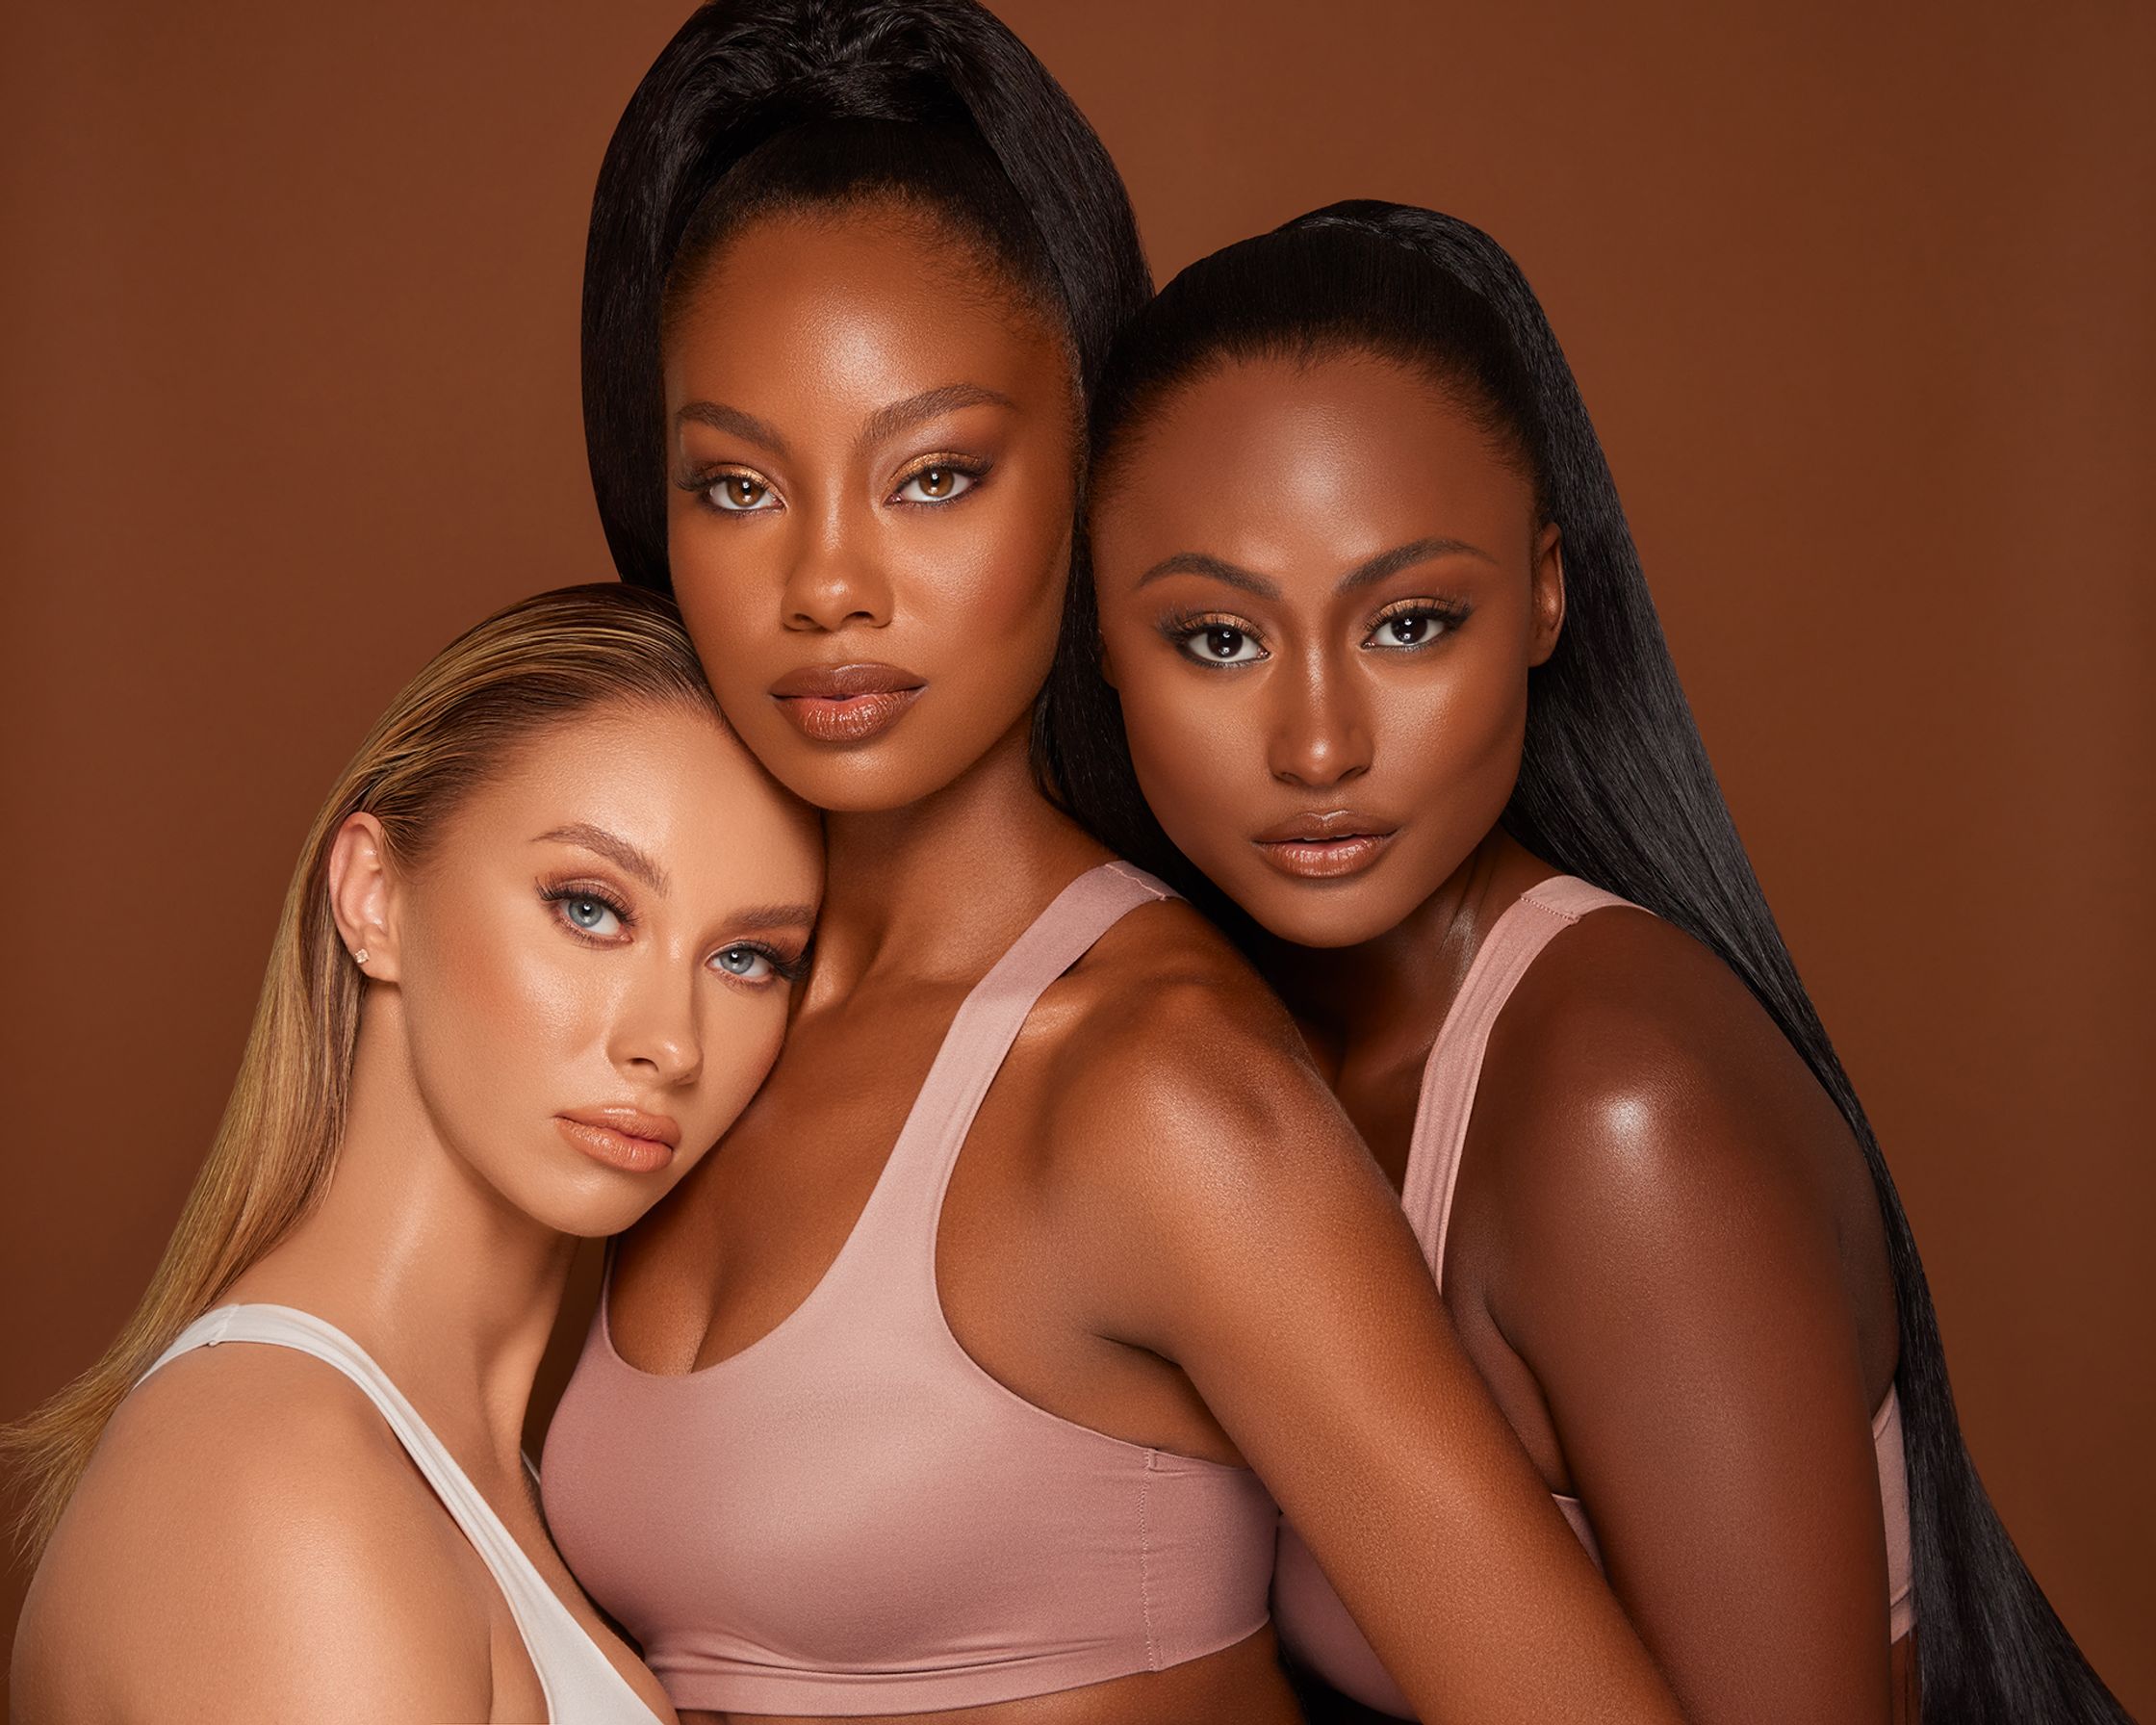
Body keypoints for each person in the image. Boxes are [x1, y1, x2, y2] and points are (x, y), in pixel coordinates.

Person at [542, 5, 1684, 1723]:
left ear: (1082, 475)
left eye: (932, 475)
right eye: (737, 488)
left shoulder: (1158, 1085)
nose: (829, 585)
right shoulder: (660, 1029)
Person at [1063, 201, 2133, 1724]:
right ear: (1099, 633)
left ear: (1547, 594)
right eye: (1220, 640)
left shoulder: (1616, 1113)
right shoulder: (1220, 1055)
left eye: (1410, 623)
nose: (1317, 747)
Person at [5, 584, 823, 1724]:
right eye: (589, 908)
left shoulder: (479, 1480)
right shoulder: (275, 1488)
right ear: (372, 895)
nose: (670, 1044)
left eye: (748, 959)